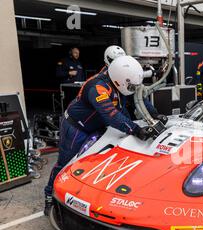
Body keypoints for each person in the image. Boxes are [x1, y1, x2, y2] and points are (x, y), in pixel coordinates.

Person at [44, 56, 154, 215]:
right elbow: (111, 114)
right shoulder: (98, 87)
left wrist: (155, 114)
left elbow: (138, 96)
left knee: (96, 163)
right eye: (129, 85)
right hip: (76, 127)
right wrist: (135, 129)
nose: (131, 88)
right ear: (120, 79)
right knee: (65, 162)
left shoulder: (120, 80)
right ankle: (49, 196)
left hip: (97, 126)